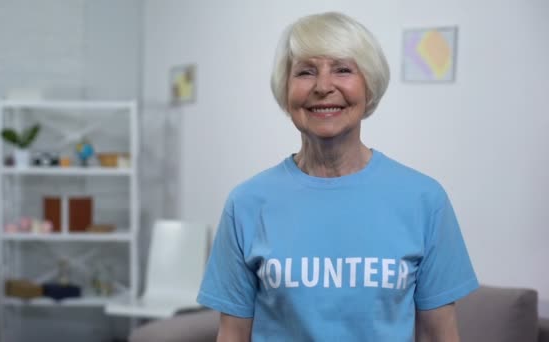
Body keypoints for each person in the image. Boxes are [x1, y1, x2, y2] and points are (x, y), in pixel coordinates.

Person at [197, 11, 478, 341]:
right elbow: (233, 335)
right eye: (305, 72)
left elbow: (438, 335)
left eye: (343, 70)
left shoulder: (425, 200)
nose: (323, 87)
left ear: (368, 86)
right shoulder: (246, 204)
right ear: (286, 91)